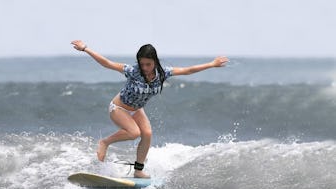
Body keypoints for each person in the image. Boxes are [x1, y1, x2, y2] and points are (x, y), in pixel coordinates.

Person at [71, 40, 229, 178]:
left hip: (137, 109)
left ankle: (138, 171)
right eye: (142, 64)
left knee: (147, 134)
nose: (145, 68)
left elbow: (188, 70)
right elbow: (107, 63)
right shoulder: (133, 71)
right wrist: (86, 49)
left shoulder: (163, 74)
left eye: (148, 64)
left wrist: (212, 64)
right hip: (119, 107)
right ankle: (105, 142)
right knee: (134, 133)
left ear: (155, 61)